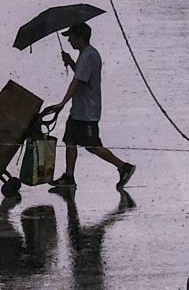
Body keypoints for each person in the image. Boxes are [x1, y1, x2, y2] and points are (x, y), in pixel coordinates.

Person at [45, 22, 135, 193]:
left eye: (71, 37)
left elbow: (77, 81)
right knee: (70, 141)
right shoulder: (85, 55)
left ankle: (124, 167)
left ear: (80, 37)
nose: (69, 40)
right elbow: (81, 75)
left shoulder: (88, 56)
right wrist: (71, 62)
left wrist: (62, 103)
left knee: (92, 145)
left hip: (88, 111)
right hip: (79, 110)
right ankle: (69, 177)